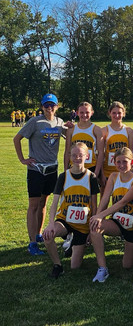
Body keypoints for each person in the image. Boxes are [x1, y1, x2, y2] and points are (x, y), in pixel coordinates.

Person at [13, 93, 69, 255]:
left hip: (52, 170)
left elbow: (70, 137)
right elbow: (17, 139)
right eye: (46, 105)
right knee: (33, 205)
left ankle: (38, 235)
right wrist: (23, 159)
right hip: (36, 170)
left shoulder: (59, 123)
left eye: (52, 105)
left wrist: (72, 127)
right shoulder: (34, 122)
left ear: (57, 107)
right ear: (42, 107)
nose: (49, 108)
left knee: (44, 202)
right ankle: (32, 243)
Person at [42, 143, 99, 278]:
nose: (77, 158)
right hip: (65, 220)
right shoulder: (63, 176)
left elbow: (94, 206)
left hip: (83, 225)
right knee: (47, 235)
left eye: (80, 155)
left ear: (87, 156)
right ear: (69, 157)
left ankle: (74, 243)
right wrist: (51, 224)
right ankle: (58, 265)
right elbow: (55, 202)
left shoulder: (92, 177)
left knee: (75, 266)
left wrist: (92, 230)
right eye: (74, 155)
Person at [88, 147, 133, 283]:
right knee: (95, 228)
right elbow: (105, 199)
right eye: (118, 162)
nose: (121, 165)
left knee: (127, 265)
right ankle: (102, 269)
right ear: (114, 162)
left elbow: (123, 202)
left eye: (125, 162)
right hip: (117, 222)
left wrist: (101, 216)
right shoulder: (113, 176)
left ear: (132, 162)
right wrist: (97, 217)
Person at [64, 102, 104, 179]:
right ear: (77, 113)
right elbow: (67, 152)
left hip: (91, 167)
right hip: (74, 167)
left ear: (92, 113)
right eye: (81, 112)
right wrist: (66, 170)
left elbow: (101, 153)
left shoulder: (96, 130)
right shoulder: (71, 130)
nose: (84, 115)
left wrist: (96, 172)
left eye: (87, 112)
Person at [102, 102, 133, 184]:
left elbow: (131, 152)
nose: (117, 116)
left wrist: (131, 168)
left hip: (124, 169)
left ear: (123, 113)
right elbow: (101, 153)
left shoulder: (129, 131)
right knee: (105, 194)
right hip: (108, 170)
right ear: (109, 113)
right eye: (114, 113)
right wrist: (101, 173)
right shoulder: (104, 130)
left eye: (119, 113)